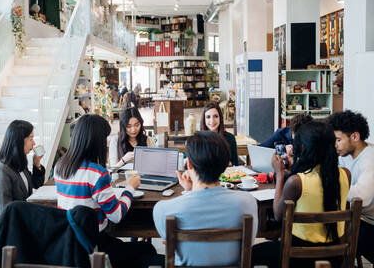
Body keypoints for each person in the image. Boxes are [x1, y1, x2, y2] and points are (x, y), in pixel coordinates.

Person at [54, 114, 163, 268]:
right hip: (95, 247)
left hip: (70, 243)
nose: (106, 142)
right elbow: (116, 215)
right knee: (148, 248)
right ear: (95, 140)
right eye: (104, 137)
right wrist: (130, 188)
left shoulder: (60, 167)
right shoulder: (97, 173)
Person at [252, 122, 351, 267]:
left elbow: (278, 215)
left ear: (303, 148)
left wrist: (279, 175)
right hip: (336, 255)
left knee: (252, 253)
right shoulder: (346, 175)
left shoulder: (297, 182)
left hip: (298, 256)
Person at [153, 131, 258, 266]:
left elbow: (169, 242)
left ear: (189, 164)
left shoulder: (162, 209)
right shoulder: (248, 203)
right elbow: (250, 242)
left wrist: (189, 192)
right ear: (226, 165)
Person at [327, 110, 374, 263]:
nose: (335, 145)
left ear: (355, 136)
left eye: (338, 140)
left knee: (329, 243)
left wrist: (331, 185)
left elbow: (362, 199)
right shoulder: (346, 154)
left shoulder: (369, 160)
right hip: (357, 219)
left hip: (369, 225)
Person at [0, 120, 45, 232]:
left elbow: (37, 184)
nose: (34, 144)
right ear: (19, 141)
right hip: (5, 230)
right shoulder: (1, 171)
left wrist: (36, 163)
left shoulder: (19, 164)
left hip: (19, 221)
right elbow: (6, 211)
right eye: (31, 138)